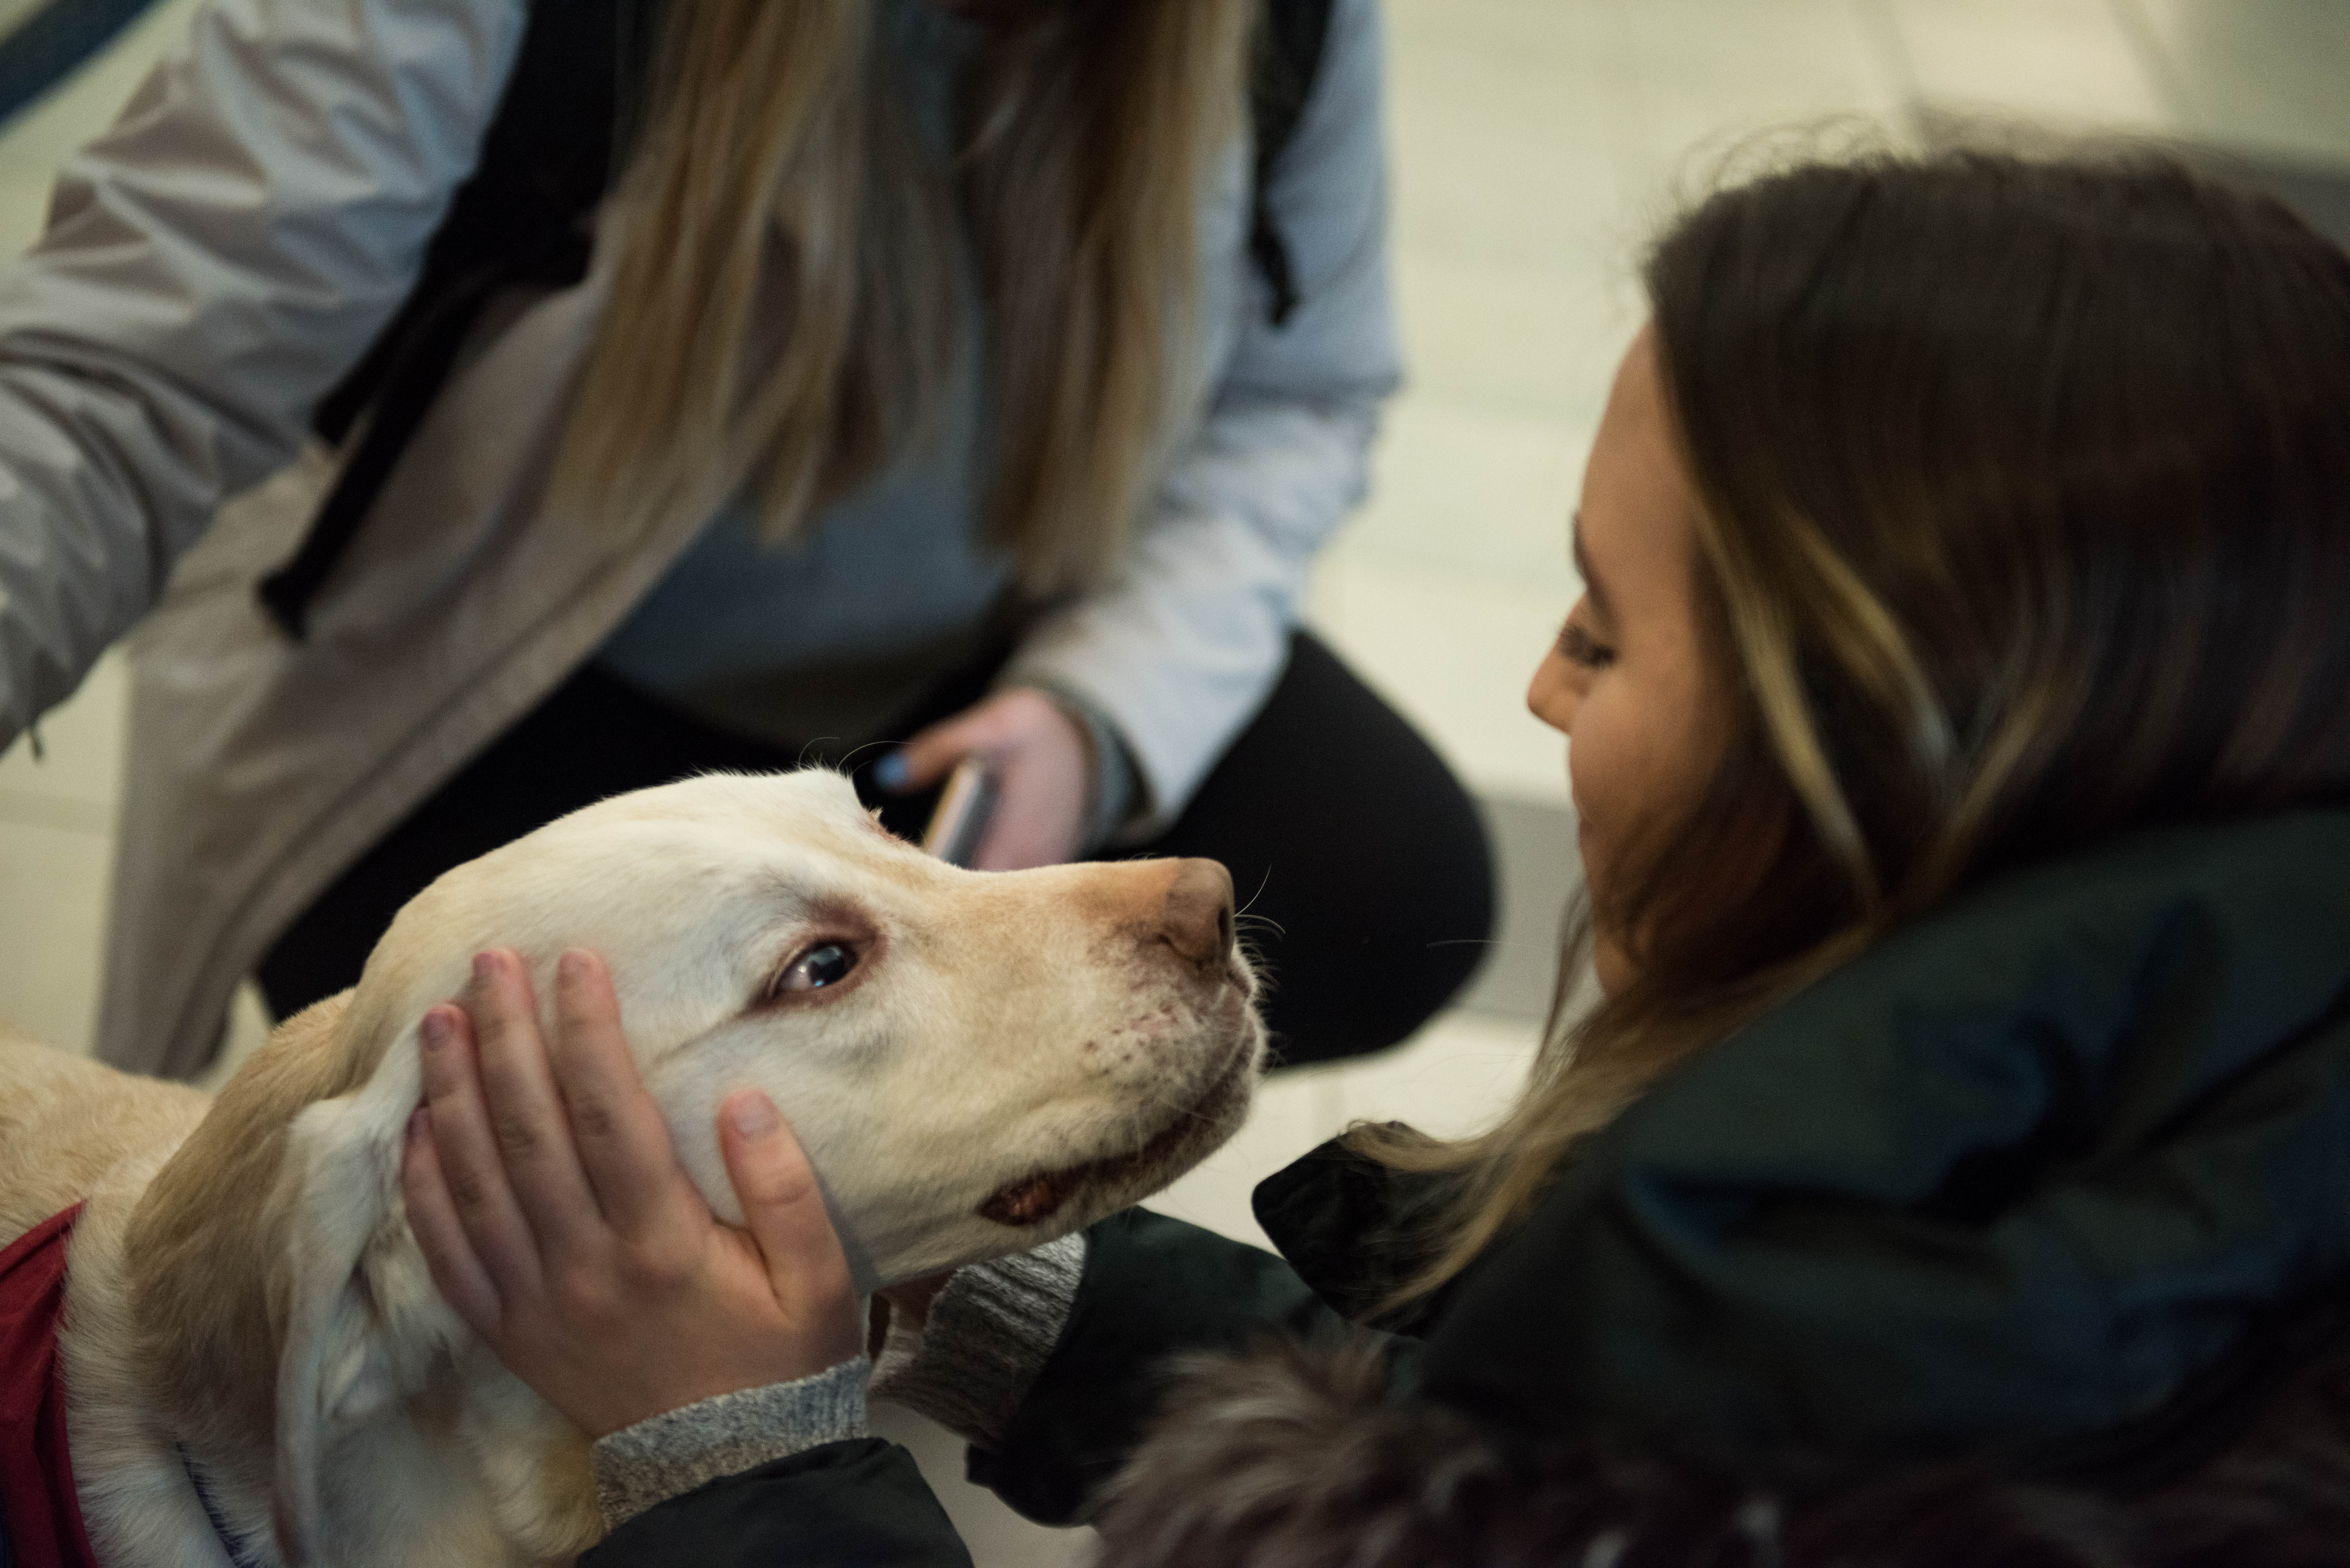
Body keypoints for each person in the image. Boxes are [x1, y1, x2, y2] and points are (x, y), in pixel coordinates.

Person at [404, 145, 2350, 1565]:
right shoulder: (2068, 1227)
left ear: (1871, 744)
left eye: (1602, 628)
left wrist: (736, 1461)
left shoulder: (1903, 1460)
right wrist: (985, 1299)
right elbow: (1455, 1448)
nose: (1540, 690)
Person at [0, 0, 1493, 1082]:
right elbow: (125, 373)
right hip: (473, 691)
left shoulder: (1278, 30)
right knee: (546, 1097)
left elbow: (1307, 394)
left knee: (1393, 887)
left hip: (951, 717)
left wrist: (1092, 718)